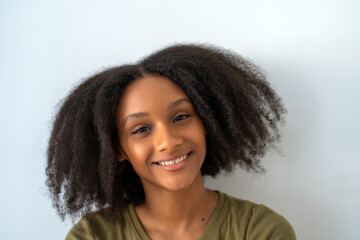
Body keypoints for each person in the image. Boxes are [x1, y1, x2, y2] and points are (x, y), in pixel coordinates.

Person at [46, 44, 296, 240]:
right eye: (141, 129)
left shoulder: (261, 232)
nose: (168, 141)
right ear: (119, 149)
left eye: (181, 117)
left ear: (206, 122)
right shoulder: (93, 236)